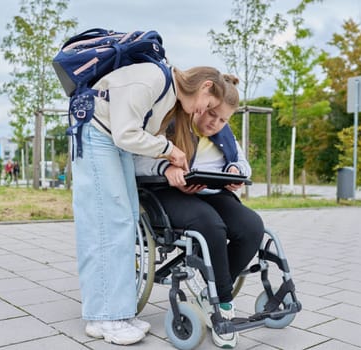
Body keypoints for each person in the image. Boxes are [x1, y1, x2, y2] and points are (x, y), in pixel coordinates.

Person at [72, 62, 232, 346]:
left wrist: (166, 153)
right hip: (97, 135)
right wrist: (170, 151)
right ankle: (104, 316)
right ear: (206, 86)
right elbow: (126, 133)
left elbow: (133, 136)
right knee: (107, 225)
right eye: (209, 104)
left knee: (125, 221)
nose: (203, 111)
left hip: (110, 139)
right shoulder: (153, 80)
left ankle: (115, 312)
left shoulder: (168, 92)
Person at [134, 75, 264, 348]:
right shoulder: (169, 120)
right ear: (203, 103)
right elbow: (137, 162)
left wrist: (236, 172)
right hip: (168, 193)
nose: (214, 123)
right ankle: (223, 302)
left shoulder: (224, 134)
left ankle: (209, 287)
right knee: (210, 225)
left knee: (252, 226)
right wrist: (167, 169)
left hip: (214, 192)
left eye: (223, 120)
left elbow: (243, 163)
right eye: (212, 114)